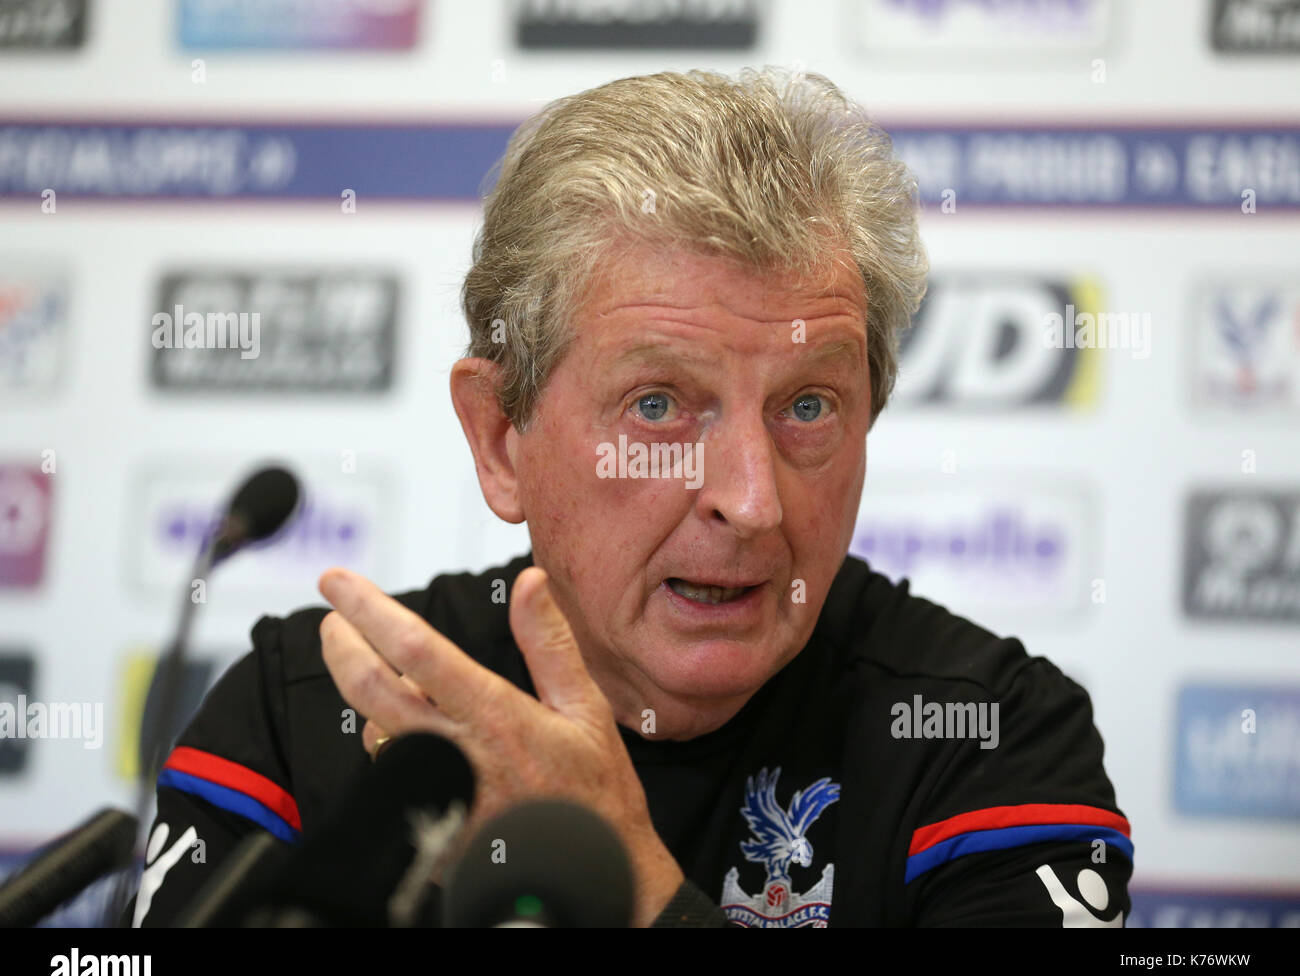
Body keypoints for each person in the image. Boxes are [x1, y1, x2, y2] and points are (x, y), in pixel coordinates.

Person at [129, 66, 1131, 929]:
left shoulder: (987, 739)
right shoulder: (307, 713)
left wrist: (632, 884)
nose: (752, 502)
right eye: (658, 403)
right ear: (499, 437)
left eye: (808, 405)